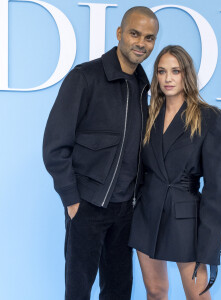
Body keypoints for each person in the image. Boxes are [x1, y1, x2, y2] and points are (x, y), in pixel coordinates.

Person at [42, 6, 159, 300]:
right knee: (79, 291)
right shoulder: (85, 77)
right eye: (134, 34)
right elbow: (55, 145)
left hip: (126, 210)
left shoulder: (143, 85)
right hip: (88, 206)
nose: (141, 43)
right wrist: (72, 200)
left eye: (149, 38)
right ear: (119, 34)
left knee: (119, 290)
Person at [128, 45, 221, 300]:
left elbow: (217, 188)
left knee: (197, 297)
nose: (168, 78)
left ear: (187, 74)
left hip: (186, 220)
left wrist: (209, 245)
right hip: (146, 213)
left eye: (175, 71)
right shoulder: (147, 113)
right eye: (162, 71)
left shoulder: (211, 118)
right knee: (155, 290)